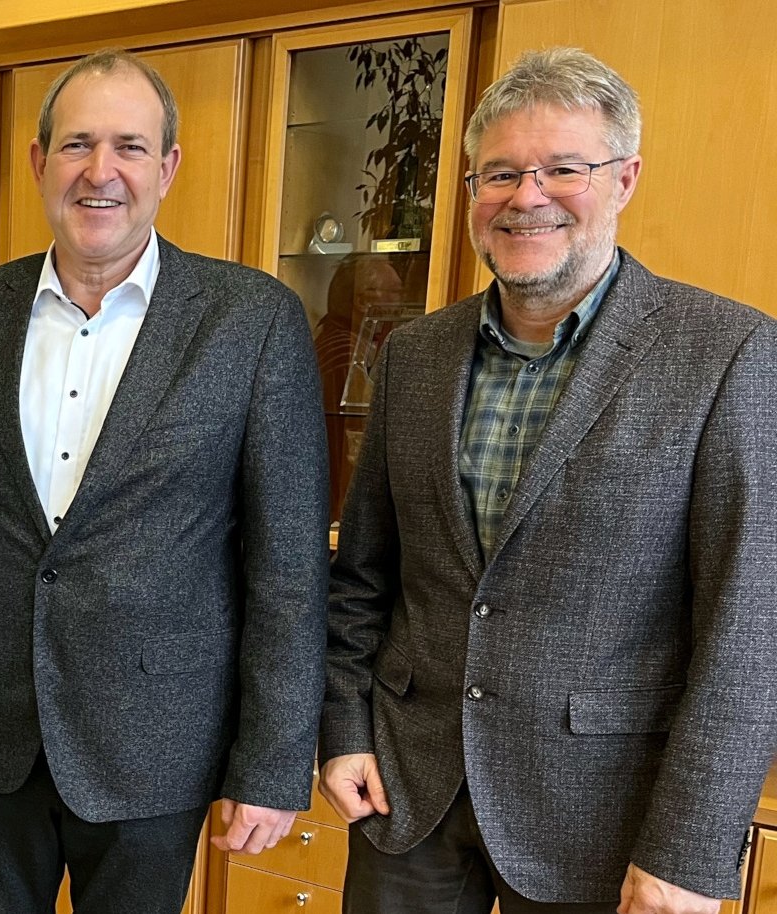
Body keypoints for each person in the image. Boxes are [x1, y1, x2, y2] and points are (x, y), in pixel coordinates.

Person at [320, 47, 777, 914]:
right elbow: (364, 574)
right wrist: (343, 729)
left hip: (604, 821)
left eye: (562, 168)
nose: (526, 197)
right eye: (499, 173)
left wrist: (687, 852)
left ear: (624, 178)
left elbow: (750, 630)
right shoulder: (414, 356)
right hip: (408, 796)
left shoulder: (730, 353)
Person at [0, 49, 330, 914]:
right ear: (38, 162)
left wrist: (275, 761)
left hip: (157, 742)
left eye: (130, 147)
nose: (102, 172)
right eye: (77, 145)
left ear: (167, 168)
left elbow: (287, 566)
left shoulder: (250, 320)